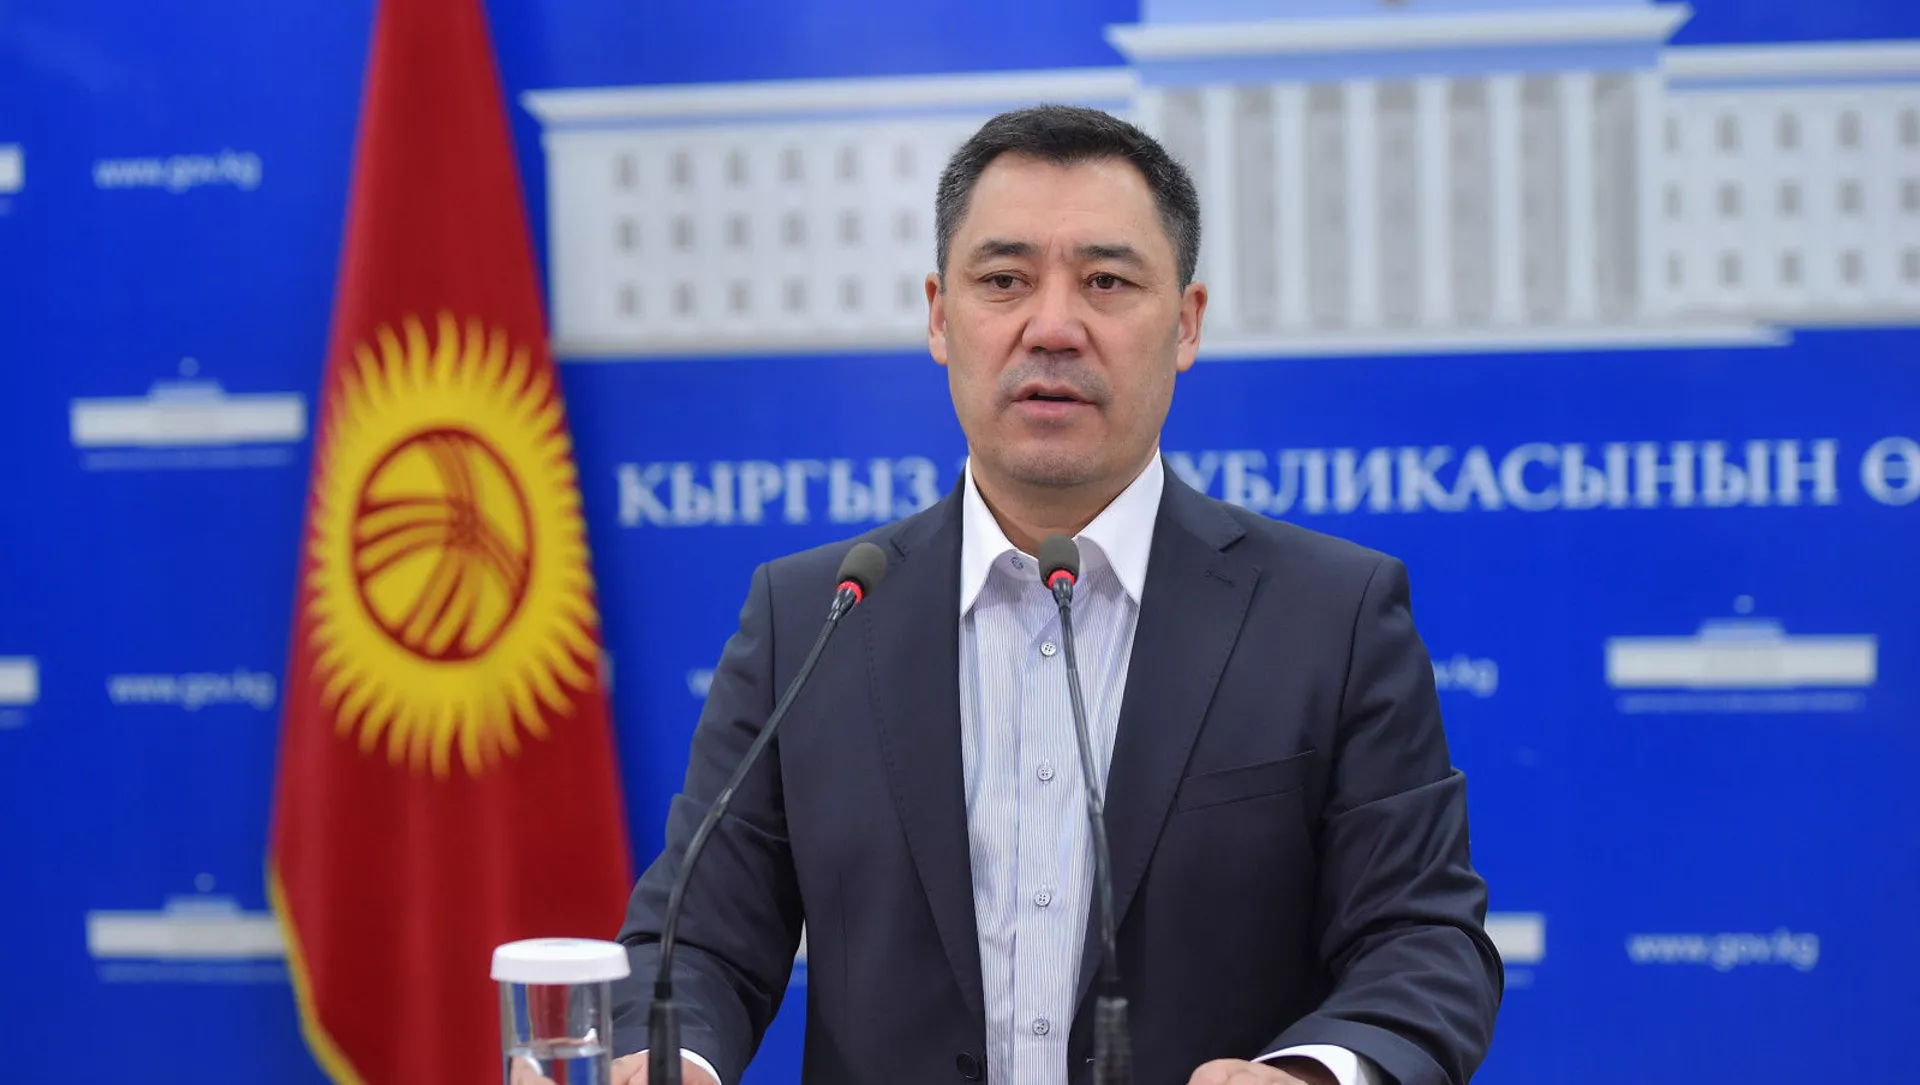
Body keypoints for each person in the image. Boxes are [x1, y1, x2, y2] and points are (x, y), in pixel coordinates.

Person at [602, 105, 1502, 1085]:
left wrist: (1315, 1073)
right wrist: (670, 1060)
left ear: (1186, 323)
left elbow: (1422, 939)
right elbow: (698, 941)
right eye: (1005, 281)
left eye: (1107, 281)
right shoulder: (814, 616)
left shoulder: (1330, 615)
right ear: (940, 316)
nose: (1054, 327)